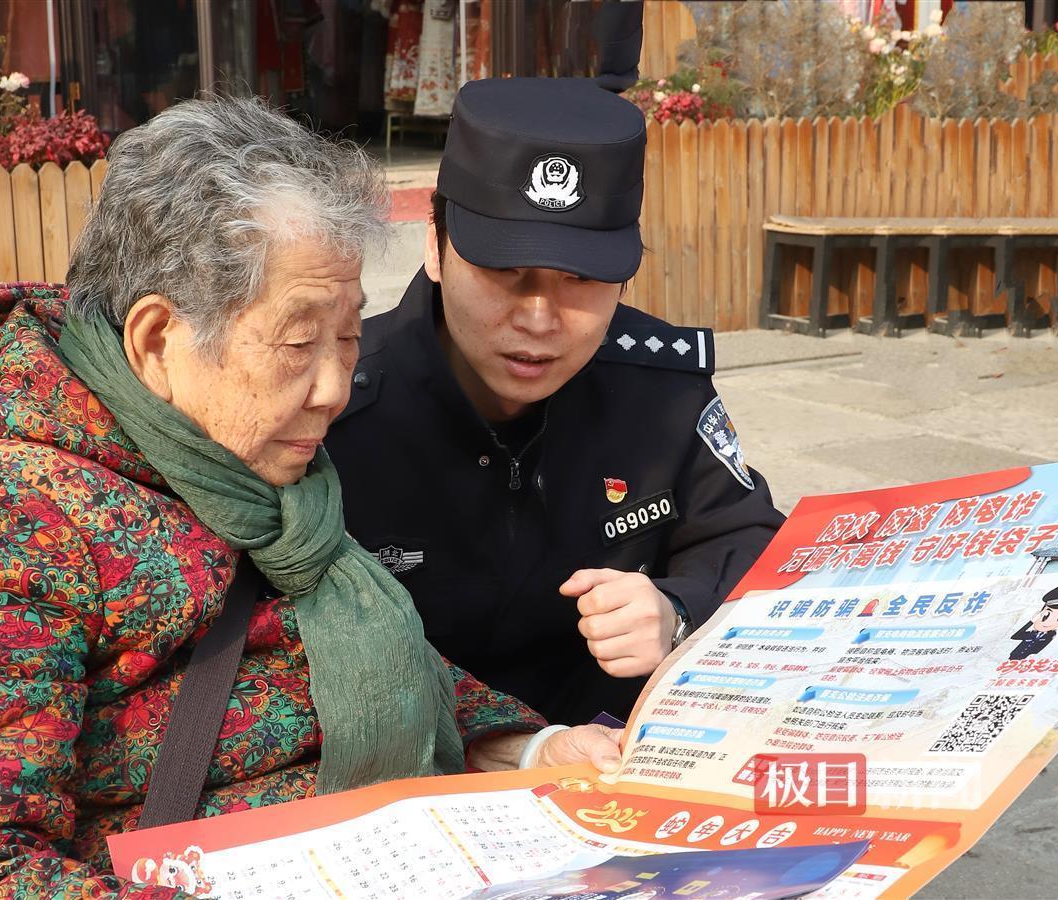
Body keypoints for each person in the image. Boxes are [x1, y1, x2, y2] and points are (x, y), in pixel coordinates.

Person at [0, 97, 621, 897]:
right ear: (157, 340)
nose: (334, 388)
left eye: (348, 336)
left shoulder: (252, 464)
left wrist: (526, 750)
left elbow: (349, 657)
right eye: (298, 342)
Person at [324, 76, 785, 726]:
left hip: (611, 762)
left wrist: (680, 610)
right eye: (505, 272)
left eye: (580, 278)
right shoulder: (331, 406)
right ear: (435, 245)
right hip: (411, 762)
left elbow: (749, 537)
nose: (539, 319)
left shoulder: (658, 387)